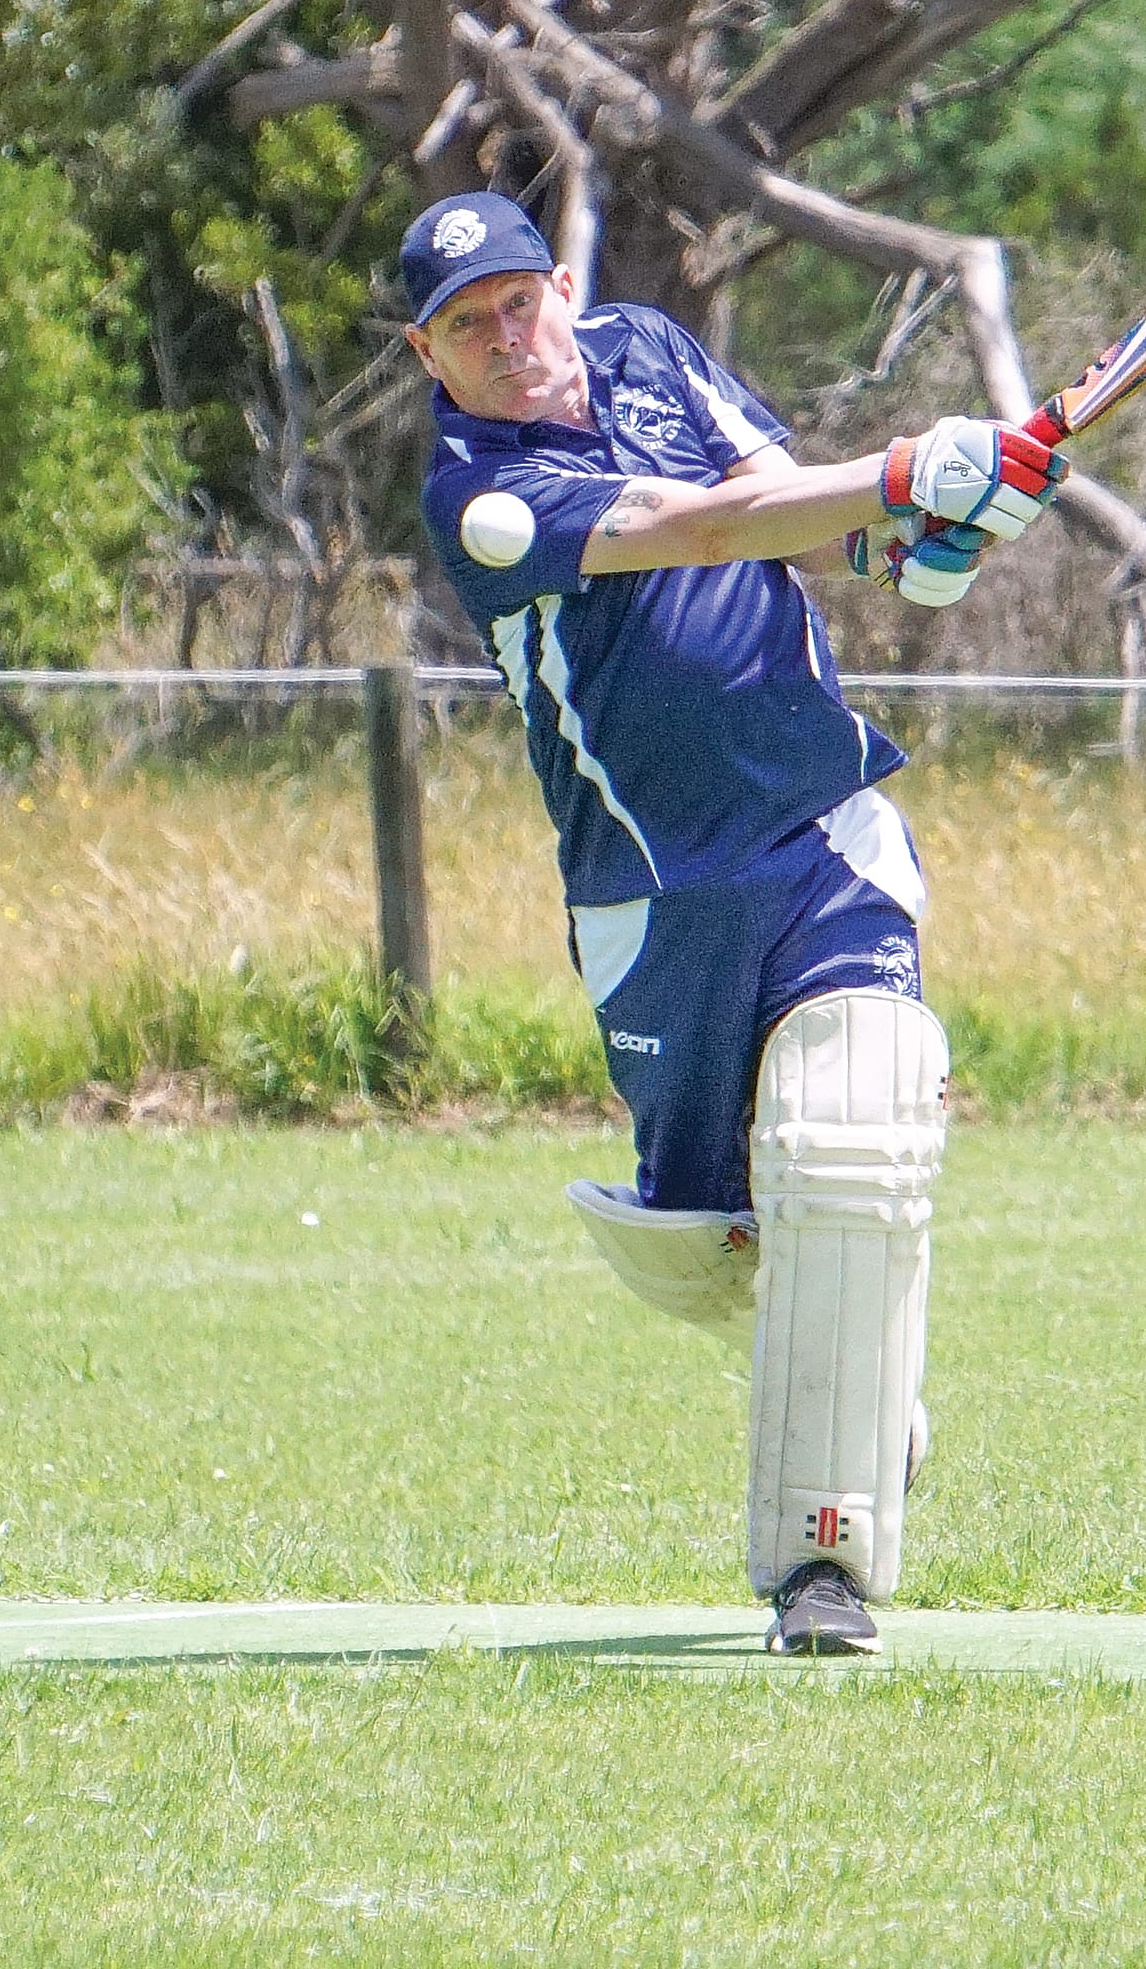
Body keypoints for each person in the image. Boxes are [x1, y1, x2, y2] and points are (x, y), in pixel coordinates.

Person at [402, 191, 1066, 1654]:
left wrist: (905, 543)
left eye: (521, 302)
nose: (509, 341)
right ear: (427, 352)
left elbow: (783, 498)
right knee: (721, 1243)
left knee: (854, 1130)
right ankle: (850, 1369)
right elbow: (703, 524)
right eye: (469, 325)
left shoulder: (645, 349)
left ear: (561, 288)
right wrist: (905, 469)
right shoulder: (479, 494)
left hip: (822, 832)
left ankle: (819, 1574)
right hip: (656, 901)